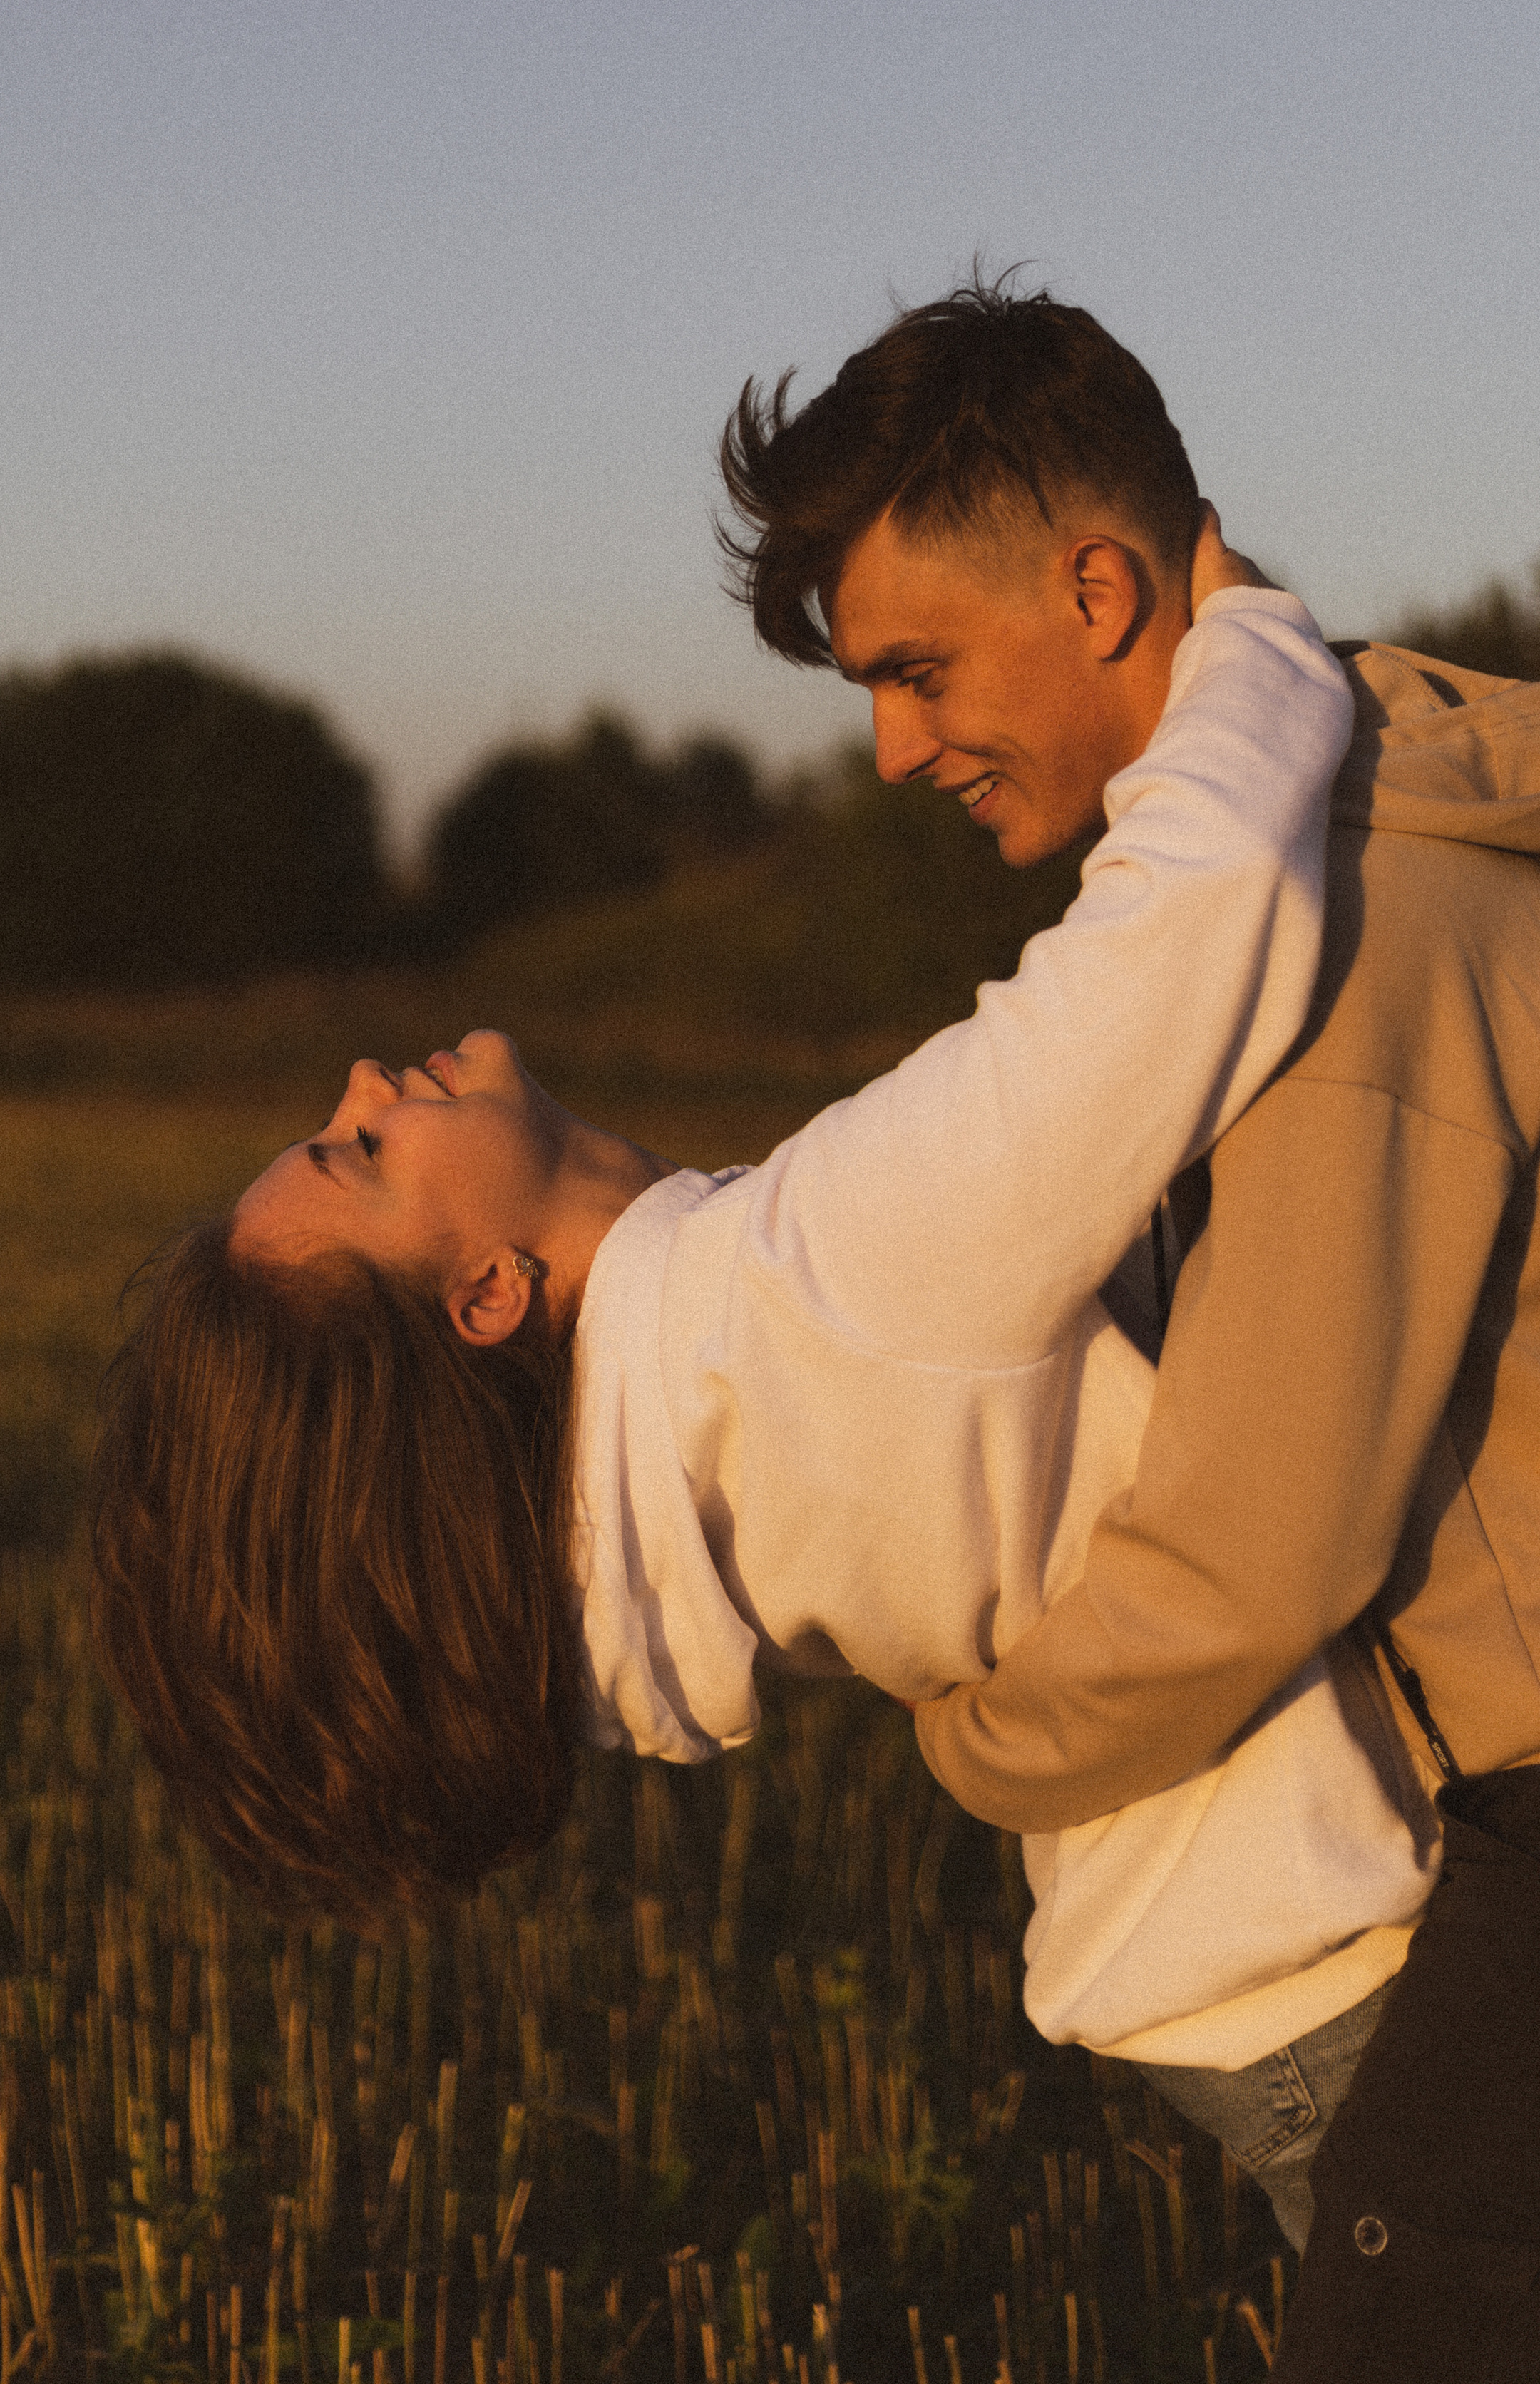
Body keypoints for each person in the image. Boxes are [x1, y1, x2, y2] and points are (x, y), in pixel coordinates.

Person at [92, 502, 1433, 2258]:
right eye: (354, 1155)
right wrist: (1237, 629)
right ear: (488, 1298)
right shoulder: (798, 1299)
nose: (361, 1080)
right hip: (1365, 1977)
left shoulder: (685, 1457)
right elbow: (1198, 918)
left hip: (1252, 1992)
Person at [721, 279, 1540, 2379]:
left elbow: (1263, 1547)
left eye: (915, 671)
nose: (895, 746)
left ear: (1099, 590)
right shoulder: (1354, 852)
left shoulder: (1363, 933)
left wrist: (981, 1746)